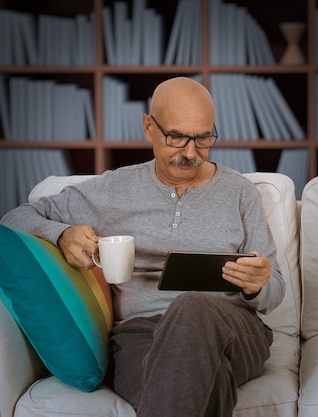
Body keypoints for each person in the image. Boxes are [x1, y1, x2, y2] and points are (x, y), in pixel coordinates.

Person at [0, 76, 285, 416]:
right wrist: (61, 234)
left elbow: (275, 291)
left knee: (192, 309)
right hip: (140, 334)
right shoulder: (113, 189)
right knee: (207, 379)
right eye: (177, 137)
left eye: (204, 138)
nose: (191, 152)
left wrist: (260, 284)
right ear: (149, 128)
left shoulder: (240, 193)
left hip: (234, 330)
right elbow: (15, 218)